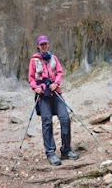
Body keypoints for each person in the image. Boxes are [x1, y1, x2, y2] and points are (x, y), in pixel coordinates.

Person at [28, 35, 80, 165]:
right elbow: (31, 79)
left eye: (45, 43)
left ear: (48, 44)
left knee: (65, 118)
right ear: (38, 46)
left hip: (55, 92)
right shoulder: (34, 60)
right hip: (43, 95)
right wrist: (36, 88)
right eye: (42, 44)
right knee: (46, 121)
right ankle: (50, 153)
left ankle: (66, 150)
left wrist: (56, 83)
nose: (44, 46)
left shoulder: (53, 58)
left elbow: (59, 72)